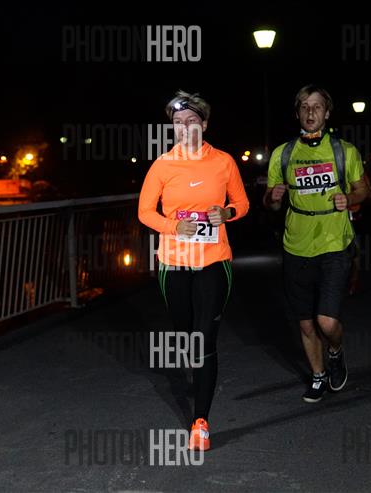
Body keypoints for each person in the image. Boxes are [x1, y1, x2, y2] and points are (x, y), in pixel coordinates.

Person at [138, 90, 249, 450]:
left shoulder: (224, 162)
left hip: (214, 260)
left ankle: (201, 421)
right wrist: (174, 226)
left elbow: (242, 203)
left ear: (204, 124)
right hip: (174, 262)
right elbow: (144, 212)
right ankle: (196, 370)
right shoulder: (162, 165)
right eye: (178, 123)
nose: (185, 128)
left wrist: (227, 213)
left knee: (204, 338)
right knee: (186, 335)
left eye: (191, 121)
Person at [263, 84, 369, 403]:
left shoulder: (344, 151)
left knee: (326, 320)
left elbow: (364, 190)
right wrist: (273, 197)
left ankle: (335, 350)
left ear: (327, 113)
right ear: (297, 113)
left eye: (317, 106)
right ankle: (318, 375)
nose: (311, 112)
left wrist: (349, 198)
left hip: (334, 243)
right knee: (306, 323)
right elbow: (271, 203)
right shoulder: (283, 154)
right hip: (296, 246)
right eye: (305, 107)